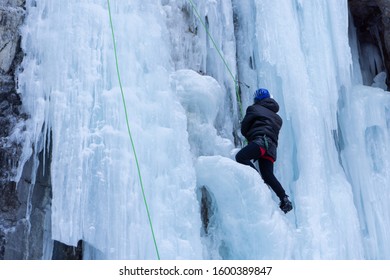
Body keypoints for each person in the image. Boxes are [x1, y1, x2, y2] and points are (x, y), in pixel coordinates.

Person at [236, 88, 293, 214]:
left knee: (241, 157)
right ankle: (284, 198)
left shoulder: (254, 108)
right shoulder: (278, 118)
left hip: (260, 143)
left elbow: (245, 127)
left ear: (256, 99)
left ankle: (258, 181)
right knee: (268, 175)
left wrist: (249, 136)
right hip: (271, 149)